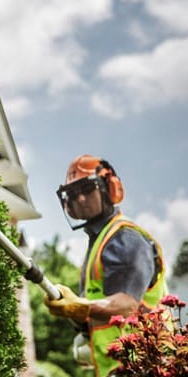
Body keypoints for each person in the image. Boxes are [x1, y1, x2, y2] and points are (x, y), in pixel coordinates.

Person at [44, 154, 168, 377]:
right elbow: (103, 313)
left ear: (108, 188)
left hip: (146, 365)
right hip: (122, 368)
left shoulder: (124, 239)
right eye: (72, 194)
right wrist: (78, 315)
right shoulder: (99, 243)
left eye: (87, 189)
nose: (80, 199)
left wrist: (81, 307)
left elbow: (127, 305)